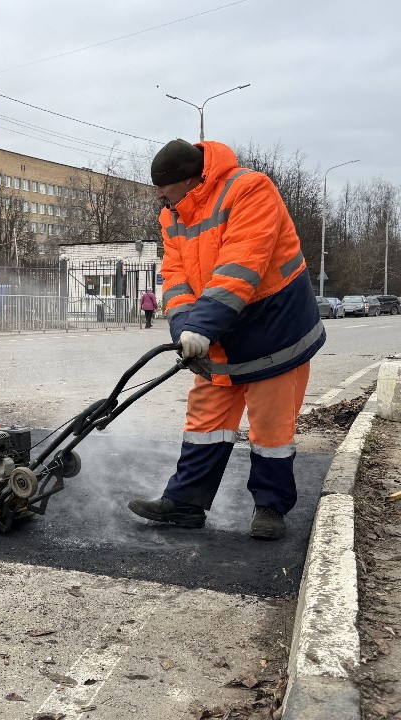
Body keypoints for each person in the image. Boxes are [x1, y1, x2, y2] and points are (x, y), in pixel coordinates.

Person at [127, 139, 325, 540]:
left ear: (189, 179)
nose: (159, 195)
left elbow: (242, 267)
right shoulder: (172, 215)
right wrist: (184, 328)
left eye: (164, 187)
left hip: (274, 328)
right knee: (206, 419)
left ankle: (270, 508)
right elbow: (176, 275)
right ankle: (185, 503)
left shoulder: (250, 189)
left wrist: (203, 326)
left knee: (270, 425)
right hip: (220, 328)